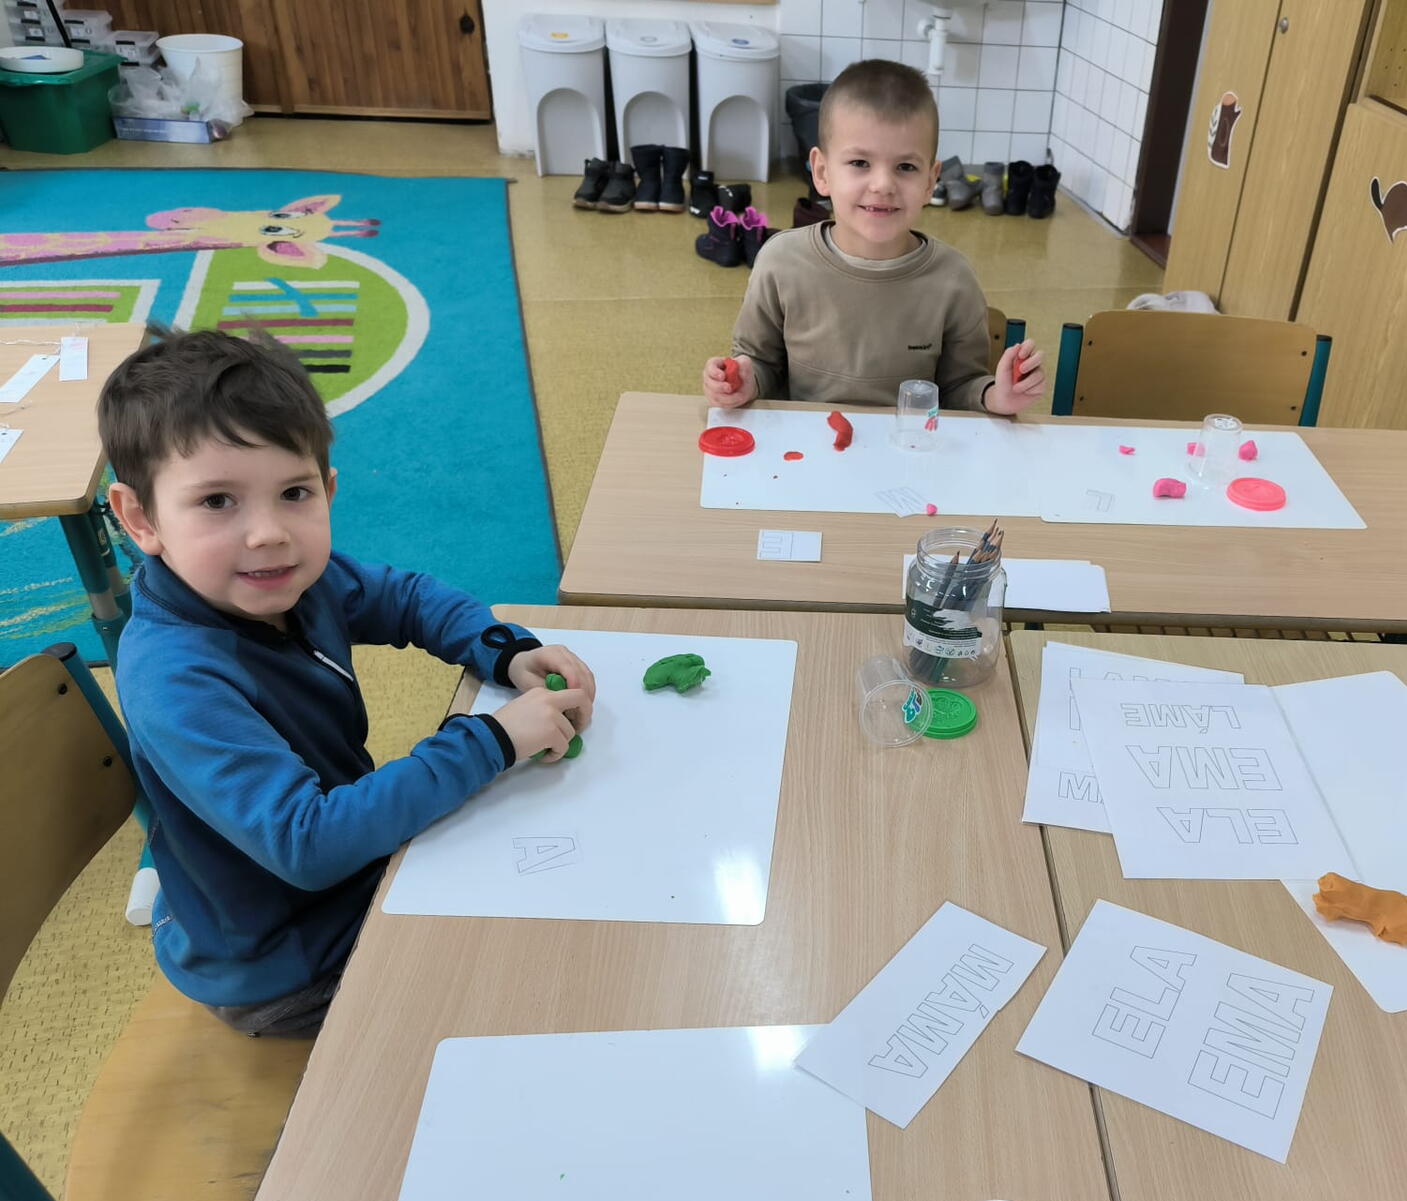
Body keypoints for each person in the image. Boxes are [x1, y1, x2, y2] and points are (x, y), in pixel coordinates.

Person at [101, 327, 595, 1036]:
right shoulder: (174, 677)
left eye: (293, 492)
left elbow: (406, 598)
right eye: (217, 502)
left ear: (328, 491)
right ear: (141, 518)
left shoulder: (289, 580)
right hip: (289, 961)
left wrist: (504, 650)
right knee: (539, 970)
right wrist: (489, 741)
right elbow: (307, 843)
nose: (268, 533)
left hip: (336, 872)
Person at [701, 59, 1046, 417]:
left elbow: (960, 386)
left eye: (906, 167)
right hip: (805, 445)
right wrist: (741, 382)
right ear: (822, 172)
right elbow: (758, 362)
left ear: (930, 181)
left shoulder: (953, 278)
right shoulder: (780, 261)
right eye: (860, 163)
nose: (882, 185)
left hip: (911, 445)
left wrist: (995, 396)